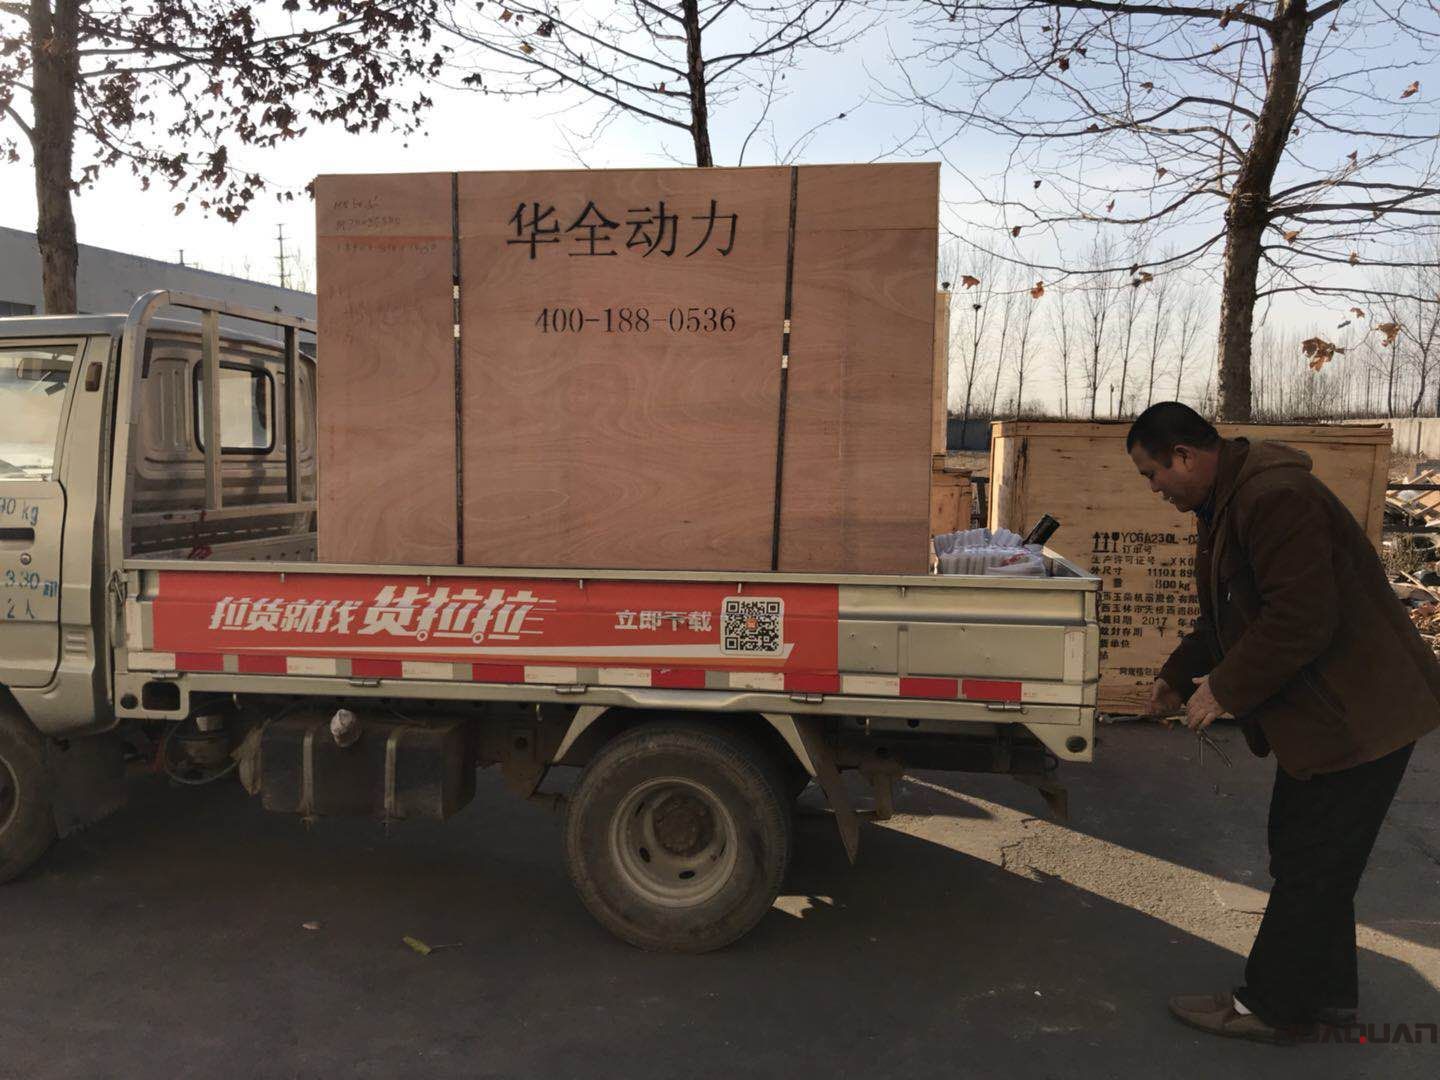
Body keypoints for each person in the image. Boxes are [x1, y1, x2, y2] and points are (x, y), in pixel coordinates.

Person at [1126, 402, 1438, 1045]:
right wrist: (1179, 674)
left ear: (1184, 455)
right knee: (1310, 856)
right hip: (1334, 715)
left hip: (1361, 715)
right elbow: (1229, 613)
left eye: (1152, 474)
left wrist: (1224, 688)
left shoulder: (1274, 498)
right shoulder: (1228, 502)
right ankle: (1327, 997)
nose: (1154, 489)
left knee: (1311, 863)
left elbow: (1300, 617)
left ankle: (1273, 1006)